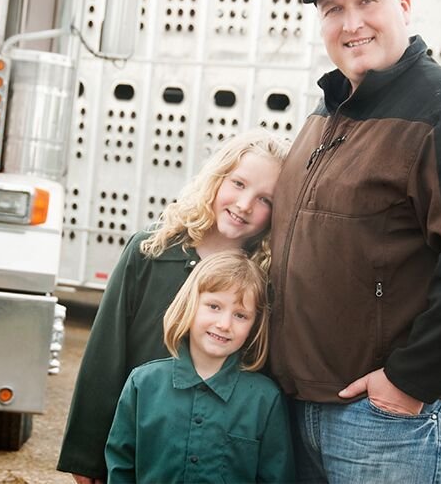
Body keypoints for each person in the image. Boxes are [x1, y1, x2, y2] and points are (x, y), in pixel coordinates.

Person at [268, 0, 441, 483]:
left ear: (403, 8)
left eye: (367, 2)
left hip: (390, 418)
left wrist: (408, 380)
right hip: (309, 402)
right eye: (333, 9)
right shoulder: (330, 110)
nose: (351, 22)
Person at [57, 128, 290, 483]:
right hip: (144, 442)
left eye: (265, 200)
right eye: (239, 184)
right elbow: (105, 352)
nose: (244, 205)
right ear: (216, 179)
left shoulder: (264, 280)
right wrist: (86, 453)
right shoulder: (150, 251)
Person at [104, 249, 295, 483]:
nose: (224, 324)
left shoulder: (265, 399)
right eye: (214, 306)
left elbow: (276, 476)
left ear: (254, 325)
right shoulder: (143, 384)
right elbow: (121, 466)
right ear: (190, 305)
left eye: (240, 315)